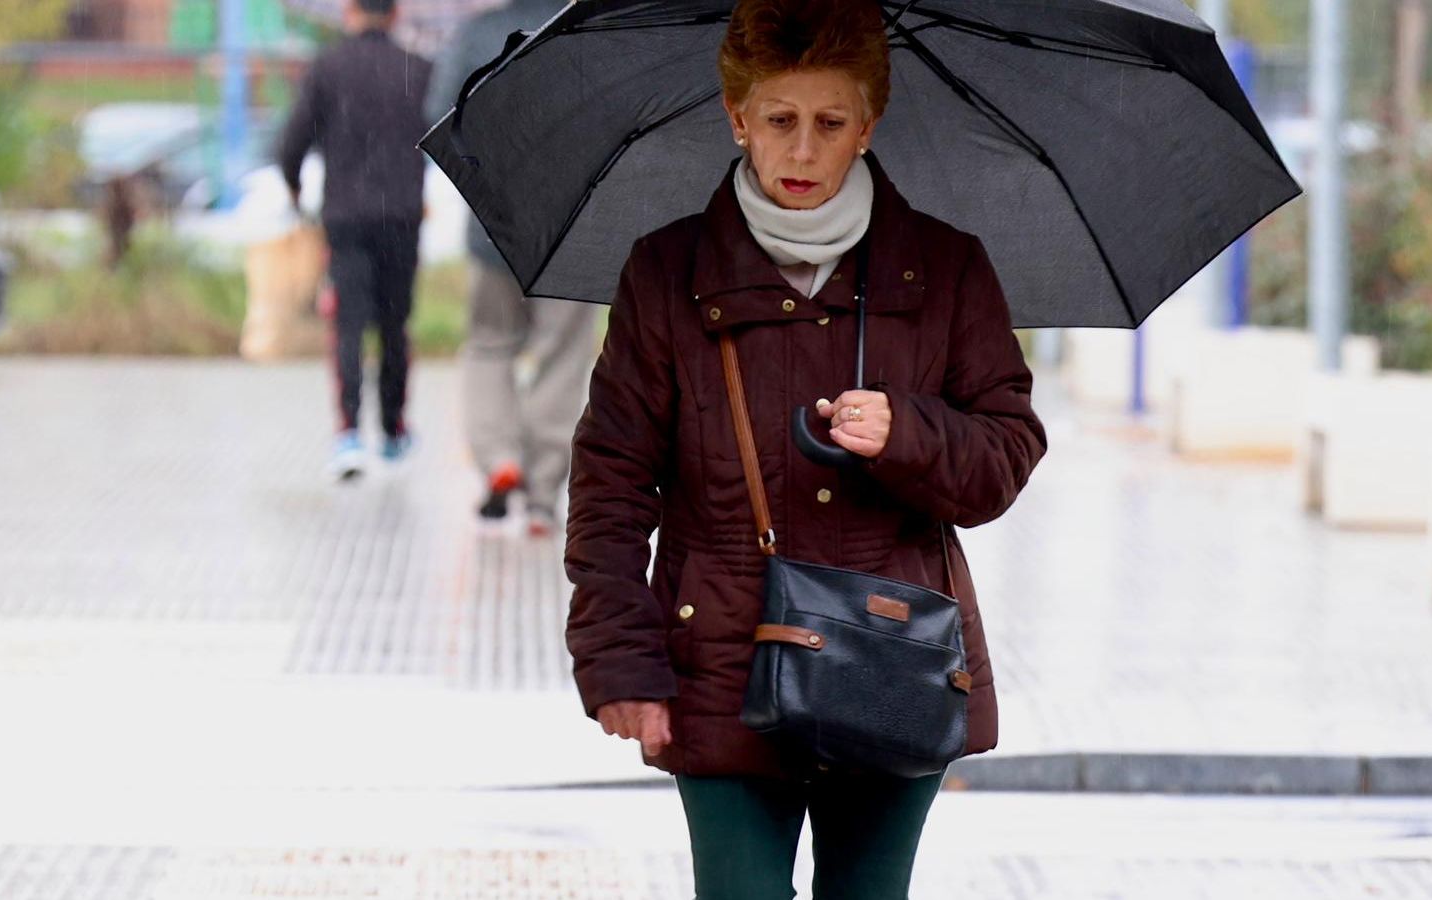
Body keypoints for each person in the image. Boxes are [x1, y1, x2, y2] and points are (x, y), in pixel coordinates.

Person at [563, 1, 1048, 896]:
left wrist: (911, 433)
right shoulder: (667, 273)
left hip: (894, 658)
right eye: (779, 121)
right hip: (718, 658)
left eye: (829, 124)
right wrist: (619, 661)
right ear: (736, 116)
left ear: (868, 125)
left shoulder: (946, 268)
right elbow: (612, 483)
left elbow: (1007, 455)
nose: (801, 151)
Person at [424, 0, 599, 537]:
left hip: (492, 226)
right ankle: (544, 493)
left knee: (489, 343)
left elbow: (436, 113)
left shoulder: (476, 35)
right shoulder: (590, 30)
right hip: (570, 225)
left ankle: (500, 459)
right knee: (563, 356)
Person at [278, 0, 432, 481]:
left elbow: (291, 145)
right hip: (402, 215)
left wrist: (297, 189)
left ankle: (348, 433)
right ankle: (393, 428)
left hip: (344, 215)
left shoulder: (326, 69)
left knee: (346, 323)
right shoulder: (420, 71)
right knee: (394, 323)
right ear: (396, 13)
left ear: (349, 11)